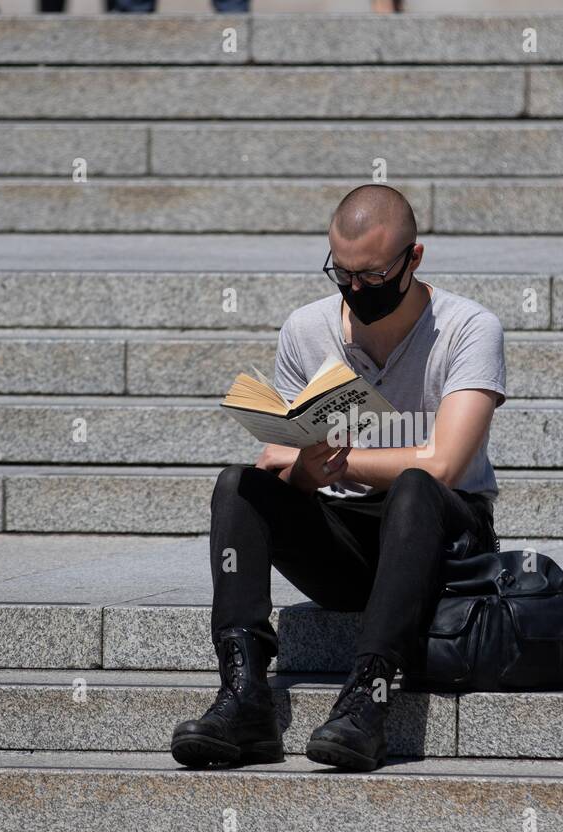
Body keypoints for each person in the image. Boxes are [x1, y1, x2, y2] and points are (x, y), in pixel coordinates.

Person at [171, 183, 507, 772]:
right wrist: (303, 471)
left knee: (414, 486)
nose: (357, 289)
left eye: (374, 276)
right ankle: (245, 695)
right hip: (349, 541)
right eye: (343, 274)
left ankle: (367, 700)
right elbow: (286, 460)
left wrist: (345, 463)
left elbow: (445, 465)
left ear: (414, 259)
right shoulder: (307, 329)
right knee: (238, 487)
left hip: (447, 543)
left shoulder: (468, 328)